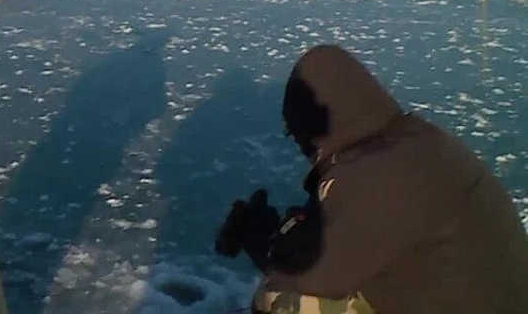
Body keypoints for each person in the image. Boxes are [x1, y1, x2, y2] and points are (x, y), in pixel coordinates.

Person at [215, 44, 528, 314]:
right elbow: (357, 228)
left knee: (279, 298)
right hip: (488, 297)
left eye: (296, 133)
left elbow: (310, 272)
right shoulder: (407, 140)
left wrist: (259, 236)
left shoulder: (372, 176)